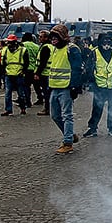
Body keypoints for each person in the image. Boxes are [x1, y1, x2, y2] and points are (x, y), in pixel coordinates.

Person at [35, 24, 84, 154]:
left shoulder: (72, 49)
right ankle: (70, 135)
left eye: (56, 37)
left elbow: (77, 69)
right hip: (55, 87)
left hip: (66, 87)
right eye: (52, 37)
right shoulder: (55, 49)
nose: (53, 40)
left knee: (67, 116)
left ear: (62, 37)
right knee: (55, 115)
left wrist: (75, 87)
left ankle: (68, 142)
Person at [83, 33, 112, 138]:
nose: (107, 44)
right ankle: (93, 128)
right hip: (99, 86)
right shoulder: (94, 53)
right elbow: (89, 69)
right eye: (104, 41)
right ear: (100, 42)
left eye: (109, 41)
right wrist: (92, 83)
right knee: (97, 108)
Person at [0, 34, 29, 116]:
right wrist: (4, 71)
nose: (9, 44)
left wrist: (23, 71)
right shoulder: (5, 50)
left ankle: (23, 108)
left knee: (20, 93)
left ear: (15, 42)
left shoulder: (23, 50)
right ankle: (8, 110)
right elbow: (3, 62)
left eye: (10, 42)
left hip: (19, 74)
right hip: (9, 74)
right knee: (8, 93)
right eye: (8, 42)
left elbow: (26, 62)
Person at [21, 32, 41, 109]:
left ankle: (28, 101)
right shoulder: (37, 46)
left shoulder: (23, 45)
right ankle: (40, 98)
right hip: (35, 68)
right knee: (36, 85)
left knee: (26, 86)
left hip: (27, 68)